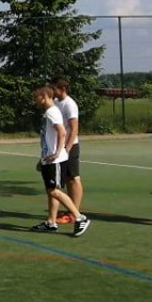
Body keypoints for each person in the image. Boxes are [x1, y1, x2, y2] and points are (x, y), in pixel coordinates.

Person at [31, 85, 90, 236]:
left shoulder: (52, 112)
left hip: (55, 160)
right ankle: (51, 222)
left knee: (54, 191)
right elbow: (48, 139)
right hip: (48, 159)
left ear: (44, 96)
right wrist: (42, 158)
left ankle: (79, 217)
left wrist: (57, 153)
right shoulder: (49, 112)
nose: (34, 100)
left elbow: (62, 132)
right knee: (51, 191)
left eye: (36, 97)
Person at [51, 77, 82, 223]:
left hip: (70, 146)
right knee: (67, 180)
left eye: (54, 89)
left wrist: (67, 148)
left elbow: (74, 128)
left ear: (62, 89)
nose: (53, 92)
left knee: (74, 179)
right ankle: (71, 211)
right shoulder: (56, 103)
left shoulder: (70, 104)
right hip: (60, 146)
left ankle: (74, 213)